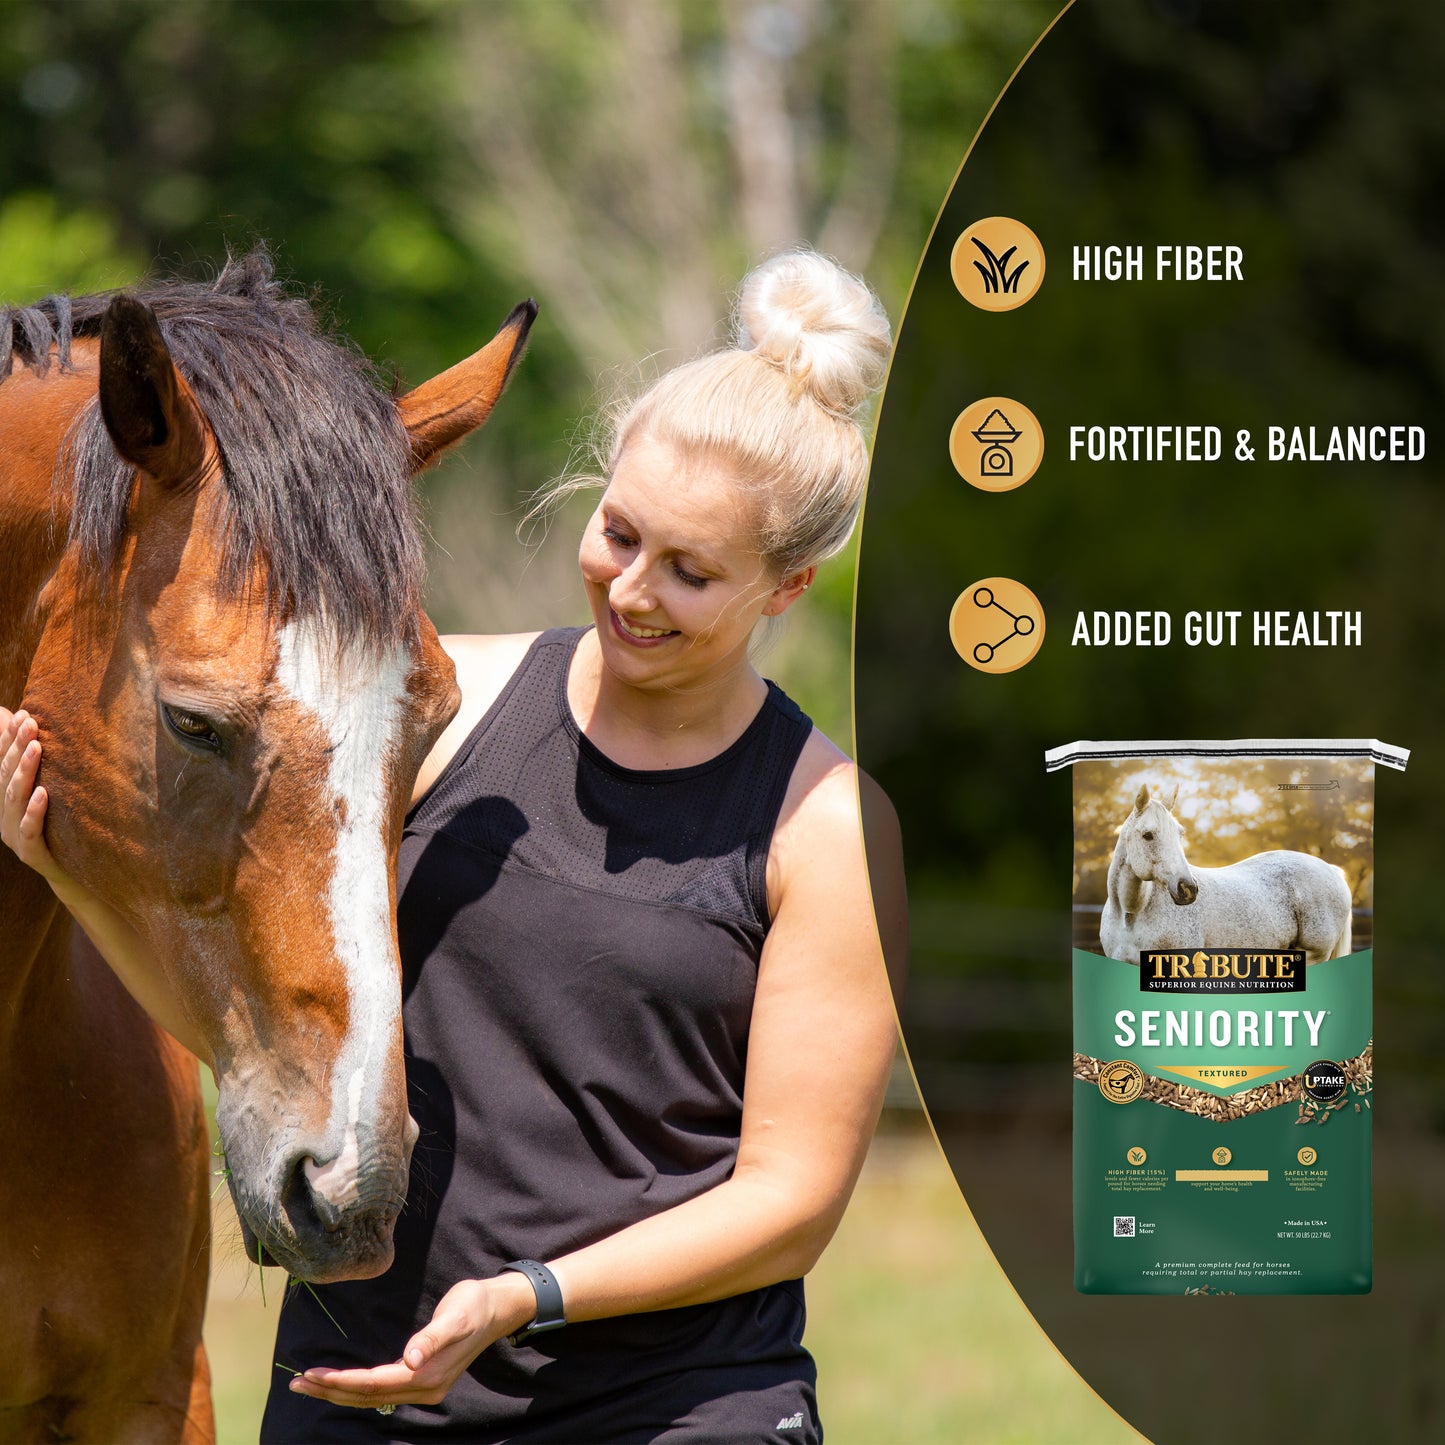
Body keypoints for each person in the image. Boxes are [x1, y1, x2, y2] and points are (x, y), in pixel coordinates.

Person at [0, 248, 904, 1443]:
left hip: (665, 1409)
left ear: (785, 588)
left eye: (689, 571)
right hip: (363, 1391)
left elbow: (788, 1201)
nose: (632, 589)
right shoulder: (432, 706)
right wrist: (61, 858)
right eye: (618, 531)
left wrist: (533, 1295)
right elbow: (248, 979)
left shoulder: (828, 822)